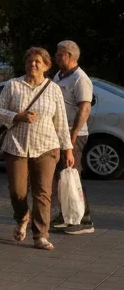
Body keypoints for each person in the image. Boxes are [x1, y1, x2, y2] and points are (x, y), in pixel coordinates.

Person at [0, 47, 73, 250]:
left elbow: (61, 121)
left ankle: (40, 235)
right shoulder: (13, 86)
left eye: (38, 61)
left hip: (47, 146)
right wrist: (17, 116)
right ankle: (22, 217)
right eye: (30, 61)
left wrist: (68, 149)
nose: (33, 64)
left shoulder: (54, 89)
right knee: (17, 191)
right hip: (17, 146)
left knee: (42, 192)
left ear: (46, 66)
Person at [52, 40, 93, 235]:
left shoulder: (80, 78)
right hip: (59, 134)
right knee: (63, 177)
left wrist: (72, 137)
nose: (56, 57)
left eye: (60, 54)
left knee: (73, 175)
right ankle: (66, 215)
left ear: (70, 56)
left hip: (74, 134)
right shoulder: (59, 76)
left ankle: (84, 220)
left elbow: (84, 109)